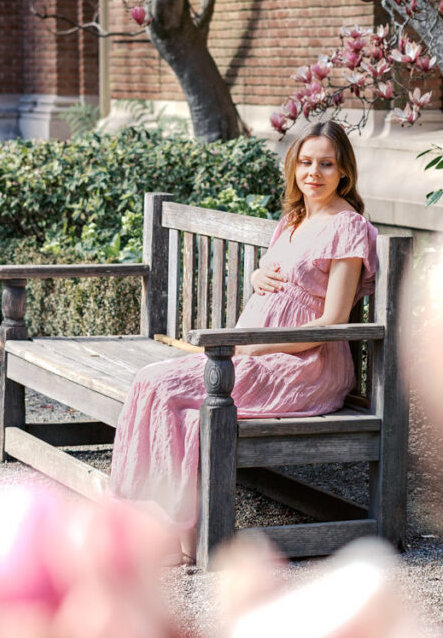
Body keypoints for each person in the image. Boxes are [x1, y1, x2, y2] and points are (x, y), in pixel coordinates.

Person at [109, 121, 377, 561]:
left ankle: (174, 535)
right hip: (252, 354)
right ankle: (162, 528)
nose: (315, 173)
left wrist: (257, 345)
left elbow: (331, 320)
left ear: (344, 171)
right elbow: (280, 276)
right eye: (306, 163)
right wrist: (255, 276)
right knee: (158, 390)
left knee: (161, 387)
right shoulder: (293, 219)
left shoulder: (347, 227)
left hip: (304, 366)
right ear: (293, 168)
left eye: (326, 164)